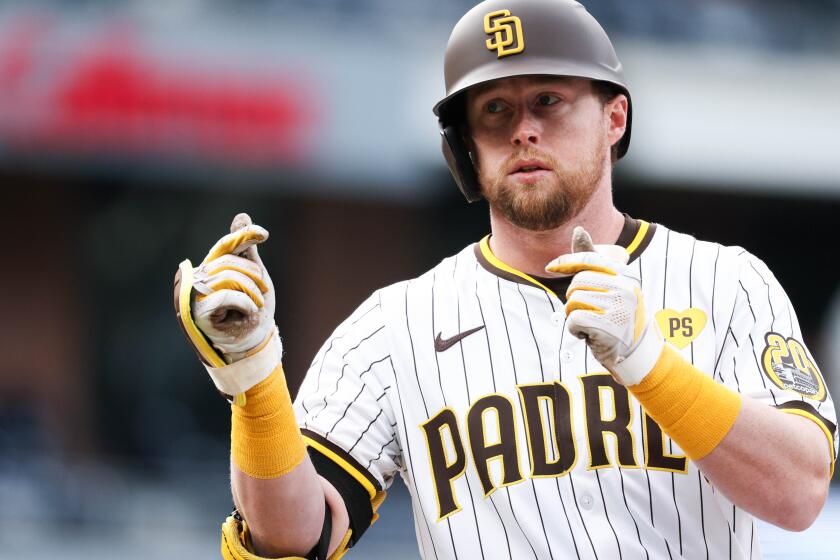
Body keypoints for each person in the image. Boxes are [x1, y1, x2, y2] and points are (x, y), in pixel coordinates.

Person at [173, 1, 837, 558]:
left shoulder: (725, 281)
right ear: (466, 148)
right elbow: (295, 540)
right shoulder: (394, 325)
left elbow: (800, 491)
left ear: (614, 118)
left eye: (548, 100)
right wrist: (254, 377)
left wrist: (648, 362)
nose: (523, 130)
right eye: (494, 110)